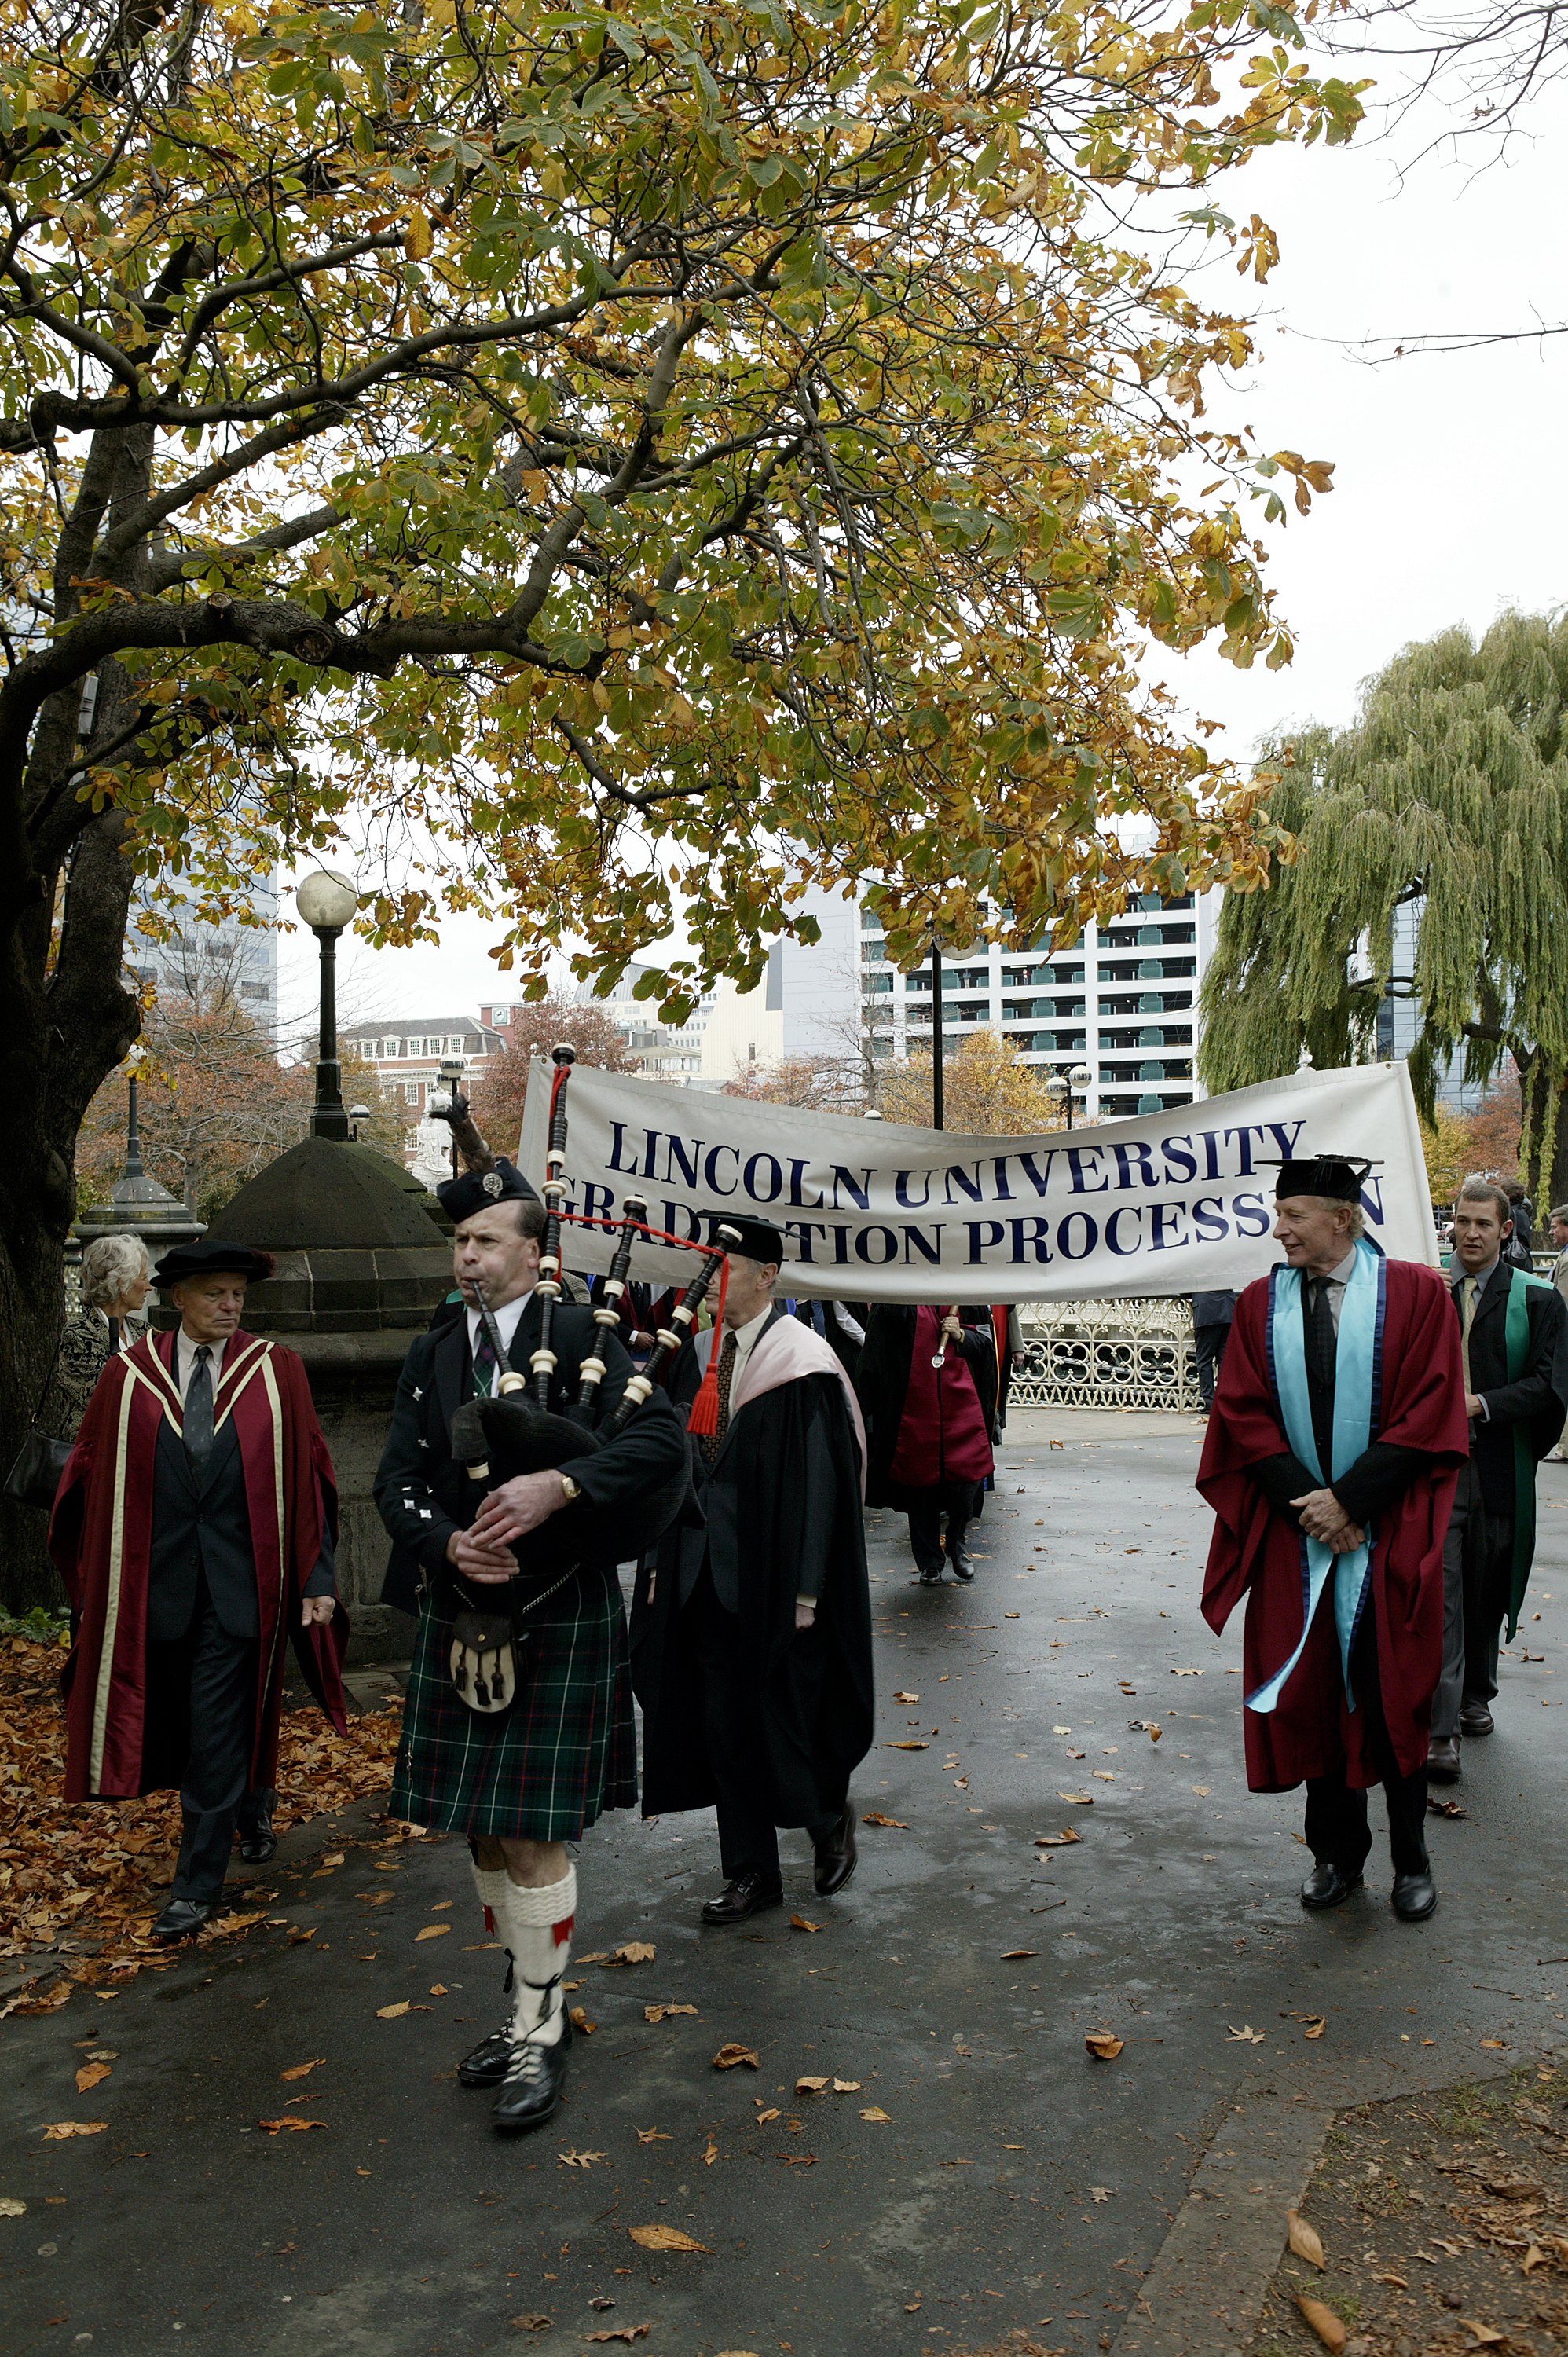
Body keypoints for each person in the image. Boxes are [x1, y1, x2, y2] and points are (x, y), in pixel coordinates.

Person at [375, 1164, 688, 2135]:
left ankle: (538, 2026)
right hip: (462, 1606)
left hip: (558, 1606)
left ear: (530, 1251)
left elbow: (664, 1447)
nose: (467, 1256)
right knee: (479, 1826)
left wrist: (563, 1485)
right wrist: (443, 1541)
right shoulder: (435, 1350)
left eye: (484, 1240)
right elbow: (396, 1478)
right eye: (458, 1241)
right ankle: (526, 1996)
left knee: (527, 1831)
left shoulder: (580, 1336)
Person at [49, 1240, 346, 1941]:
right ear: (174, 1297)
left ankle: (196, 1885)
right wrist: (93, 1583)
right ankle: (253, 1800)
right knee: (185, 1727)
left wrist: (317, 1578)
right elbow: (90, 1480)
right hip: (154, 1588)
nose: (229, 1305)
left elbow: (310, 1478)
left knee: (215, 1732)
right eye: (214, 1293)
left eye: (237, 1294)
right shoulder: (127, 1377)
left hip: (245, 1587)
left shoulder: (277, 1371)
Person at [1198, 1154, 1469, 1922]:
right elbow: (1242, 1416)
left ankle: (1411, 1861)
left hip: (1385, 1531)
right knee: (1316, 1695)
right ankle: (1335, 1856)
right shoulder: (1259, 1304)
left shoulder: (1416, 1294)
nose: (1276, 1229)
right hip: (1299, 1535)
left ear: (1340, 1220)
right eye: (1276, 1214)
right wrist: (1310, 1505)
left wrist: (1350, 1501)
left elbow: (1431, 1407)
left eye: (1291, 1216)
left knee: (1391, 1696)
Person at [632, 1216, 874, 1926]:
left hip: (771, 1576)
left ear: (768, 1275)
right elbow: (665, 1465)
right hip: (696, 1574)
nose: (716, 1278)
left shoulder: (803, 1362)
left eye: (730, 1264)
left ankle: (828, 1818)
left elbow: (822, 1485)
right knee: (721, 1725)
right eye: (711, 1264)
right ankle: (750, 1874)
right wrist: (654, 1563)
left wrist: (807, 1587)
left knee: (782, 1717)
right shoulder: (692, 1353)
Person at [1426, 1178, 1568, 1780]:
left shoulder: (1536, 1300)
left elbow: (1549, 1384)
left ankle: (1477, 1692)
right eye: (1463, 1221)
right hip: (1436, 1472)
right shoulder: (1426, 1290)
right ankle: (1441, 1728)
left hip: (1499, 1465)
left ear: (1506, 1230)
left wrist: (1481, 1404)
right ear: (1451, 1224)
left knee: (1486, 1585)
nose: (1473, 1233)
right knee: (1443, 1590)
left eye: (1486, 1224)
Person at [856, 1302, 997, 1583]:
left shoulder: (968, 1296)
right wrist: (860, 1408)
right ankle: (929, 1561)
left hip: (962, 1405)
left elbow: (985, 1345)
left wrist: (961, 1336)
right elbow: (875, 1354)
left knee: (965, 1479)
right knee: (920, 1485)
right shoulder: (896, 1299)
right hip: (913, 1407)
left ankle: (957, 1542)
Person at [57, 1235, 152, 1436]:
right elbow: (107, 1397)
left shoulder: (145, 1332)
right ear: (121, 1283)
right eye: (143, 1278)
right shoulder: (80, 1334)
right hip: (93, 1454)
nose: (149, 1286)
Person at [1190, 1289, 1236, 1416]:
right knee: (1225, 1360)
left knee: (1204, 1360)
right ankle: (1226, 1400)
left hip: (1206, 1312)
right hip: (1227, 1311)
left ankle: (1210, 1402)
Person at [1503, 1182, 1537, 1271]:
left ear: (1508, 1197)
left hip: (1511, 1262)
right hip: (1523, 1261)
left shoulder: (1510, 1215)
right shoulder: (1523, 1213)